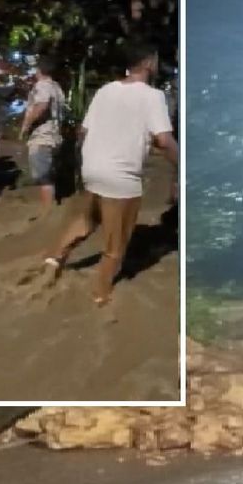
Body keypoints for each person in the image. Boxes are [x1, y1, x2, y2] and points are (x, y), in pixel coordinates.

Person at [38, 43, 178, 308]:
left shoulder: (105, 90)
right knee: (116, 245)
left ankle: (53, 261)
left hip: (93, 169)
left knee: (86, 220)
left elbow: (83, 132)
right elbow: (163, 139)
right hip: (121, 177)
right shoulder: (153, 96)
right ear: (149, 63)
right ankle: (101, 295)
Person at [19, 56, 67, 218]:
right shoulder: (56, 87)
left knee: (43, 176)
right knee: (47, 174)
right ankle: (49, 209)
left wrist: (26, 125)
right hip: (54, 135)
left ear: (39, 70)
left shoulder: (43, 86)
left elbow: (41, 105)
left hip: (42, 136)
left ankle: (47, 213)